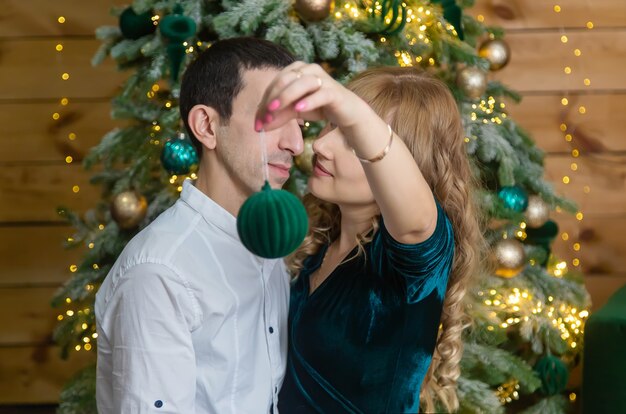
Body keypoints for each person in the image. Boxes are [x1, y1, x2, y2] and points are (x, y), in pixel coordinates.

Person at [255, 64, 483, 413]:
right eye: (330, 124)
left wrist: (353, 113)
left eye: (352, 138)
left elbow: (416, 225)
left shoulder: (412, 265)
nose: (321, 144)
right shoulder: (320, 247)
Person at [95, 37, 304, 413]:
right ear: (206, 125)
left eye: (300, 123)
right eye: (275, 119)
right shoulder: (160, 274)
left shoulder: (273, 242)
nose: (297, 143)